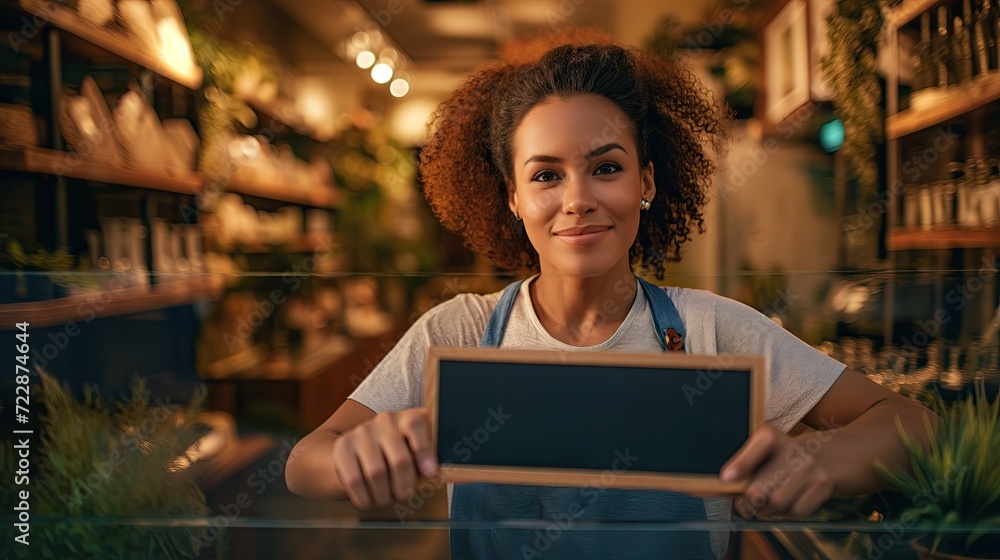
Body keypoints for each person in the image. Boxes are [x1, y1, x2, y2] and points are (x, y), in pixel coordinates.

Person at [286, 29, 936, 559]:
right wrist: (355, 456)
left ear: (646, 182)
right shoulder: (456, 332)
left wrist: (820, 457)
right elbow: (302, 463)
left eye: (606, 167)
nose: (577, 200)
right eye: (546, 175)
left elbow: (914, 424)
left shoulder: (715, 329)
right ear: (512, 197)